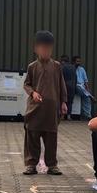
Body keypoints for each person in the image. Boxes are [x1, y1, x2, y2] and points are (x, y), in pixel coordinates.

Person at [23, 31, 68, 175]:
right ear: (36, 49)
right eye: (43, 48)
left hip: (51, 110)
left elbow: (61, 85)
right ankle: (31, 164)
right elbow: (26, 84)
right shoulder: (32, 67)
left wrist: (63, 102)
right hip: (35, 109)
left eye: (48, 48)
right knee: (32, 137)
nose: (46, 51)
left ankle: (52, 165)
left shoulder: (56, 66)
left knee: (51, 139)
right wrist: (33, 93)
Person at [74, 55, 93, 120]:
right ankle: (90, 96)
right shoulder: (72, 69)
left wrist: (87, 89)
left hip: (82, 86)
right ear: (73, 62)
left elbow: (85, 81)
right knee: (86, 95)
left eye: (79, 61)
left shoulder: (82, 69)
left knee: (87, 98)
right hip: (76, 86)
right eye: (77, 61)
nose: (78, 63)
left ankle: (87, 115)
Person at [60, 55, 77, 120]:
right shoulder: (73, 67)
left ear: (62, 61)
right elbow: (75, 78)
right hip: (72, 86)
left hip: (64, 86)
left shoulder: (61, 67)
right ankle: (69, 116)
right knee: (70, 102)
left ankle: (62, 116)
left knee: (63, 100)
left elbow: (60, 78)